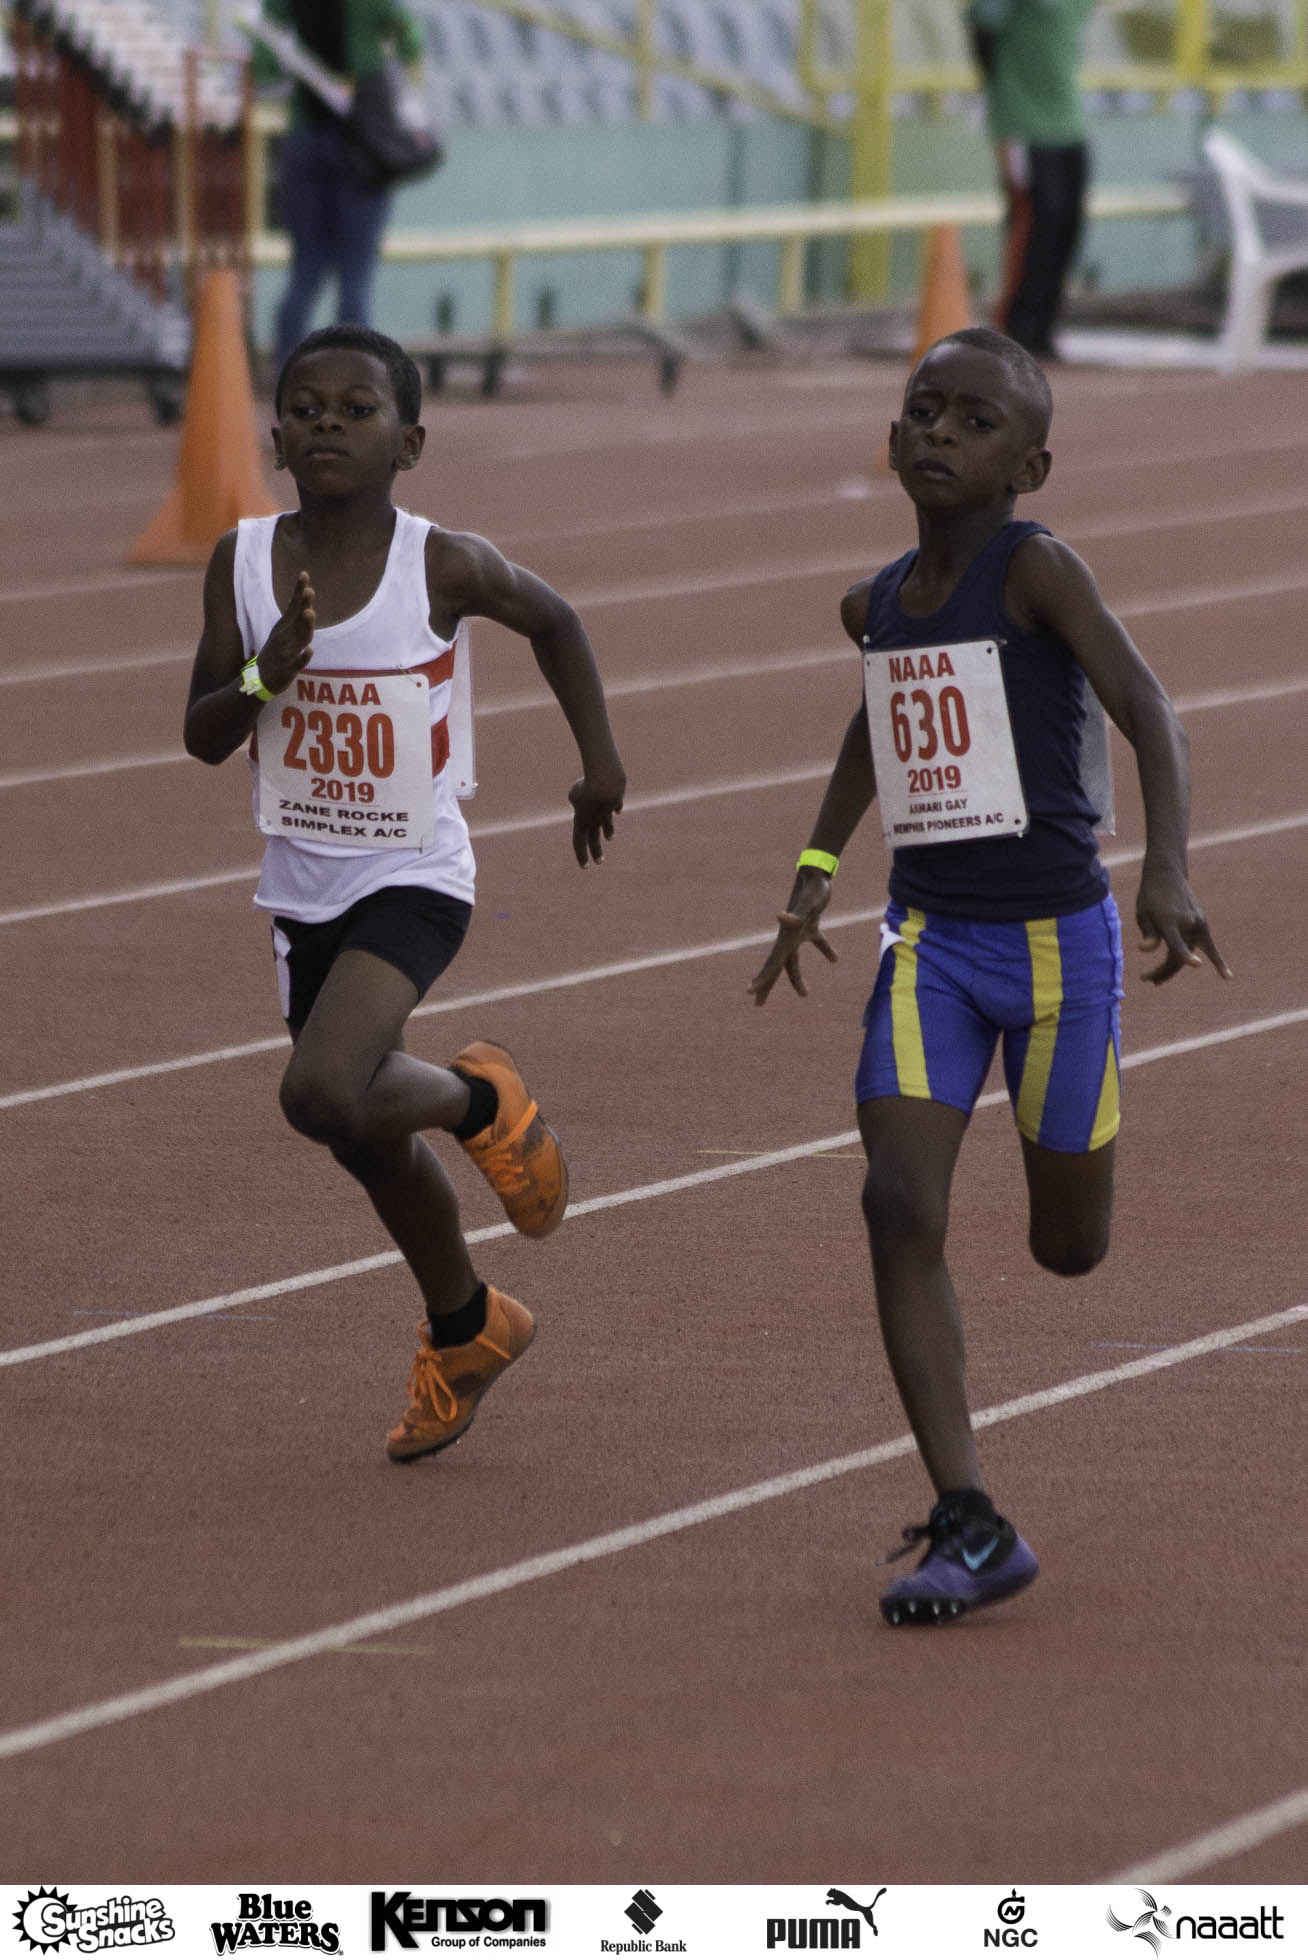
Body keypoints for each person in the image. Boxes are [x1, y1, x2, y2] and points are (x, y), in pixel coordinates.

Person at [749, 327, 1228, 1625]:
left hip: (1061, 952)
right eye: (924, 412)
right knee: (897, 1200)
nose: (940, 436)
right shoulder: (879, 604)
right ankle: (970, 1518)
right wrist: (814, 869)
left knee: (1069, 1248)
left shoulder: (1038, 573)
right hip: (932, 947)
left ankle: (1082, 1138)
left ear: (1032, 466)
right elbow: (877, 721)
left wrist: (1168, 871)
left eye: (974, 423)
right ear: (889, 436)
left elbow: (1155, 714)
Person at [183, 323, 626, 1462]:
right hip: (303, 891)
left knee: (321, 1090)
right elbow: (203, 733)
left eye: (357, 408)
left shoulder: (442, 564)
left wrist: (599, 765)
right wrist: (262, 674)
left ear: (410, 442)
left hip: (414, 874)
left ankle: (479, 1101)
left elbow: (558, 620)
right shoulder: (241, 560)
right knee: (362, 1132)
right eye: (305, 407)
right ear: (276, 435)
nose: (327, 423)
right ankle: (468, 1326)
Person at [252, 0, 427, 372]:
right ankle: (355, 377)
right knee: (356, 275)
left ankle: (288, 374)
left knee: (305, 271)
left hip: (304, 134)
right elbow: (411, 41)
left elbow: (264, 61)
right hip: (361, 140)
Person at [968, 0, 1095, 359]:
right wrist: (999, 91)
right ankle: (1016, 327)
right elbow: (981, 30)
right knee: (1035, 220)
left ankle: (1043, 326)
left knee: (1067, 225)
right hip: (1023, 121)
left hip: (1069, 121)